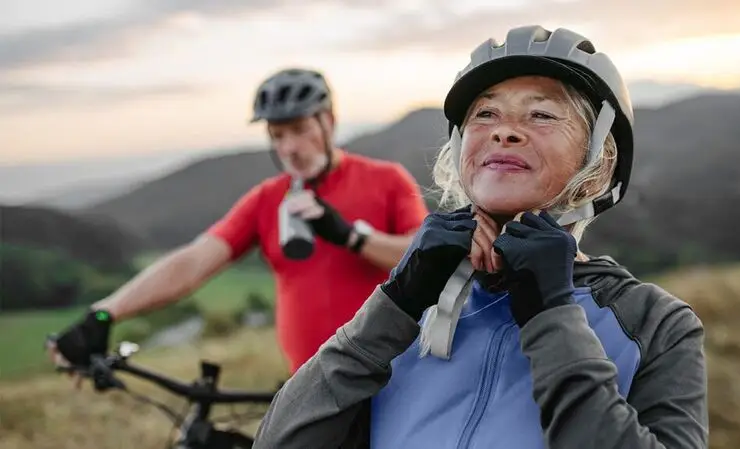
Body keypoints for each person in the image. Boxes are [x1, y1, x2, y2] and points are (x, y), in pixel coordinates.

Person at [251, 25, 709, 449]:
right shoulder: (413, 314)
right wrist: (396, 301)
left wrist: (552, 314)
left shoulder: (654, 323)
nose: (505, 130)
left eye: (542, 114)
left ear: (599, 164)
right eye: (486, 113)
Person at [47, 67, 429, 377]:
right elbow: (193, 262)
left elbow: (424, 258)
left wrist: (351, 236)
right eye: (277, 135)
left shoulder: (387, 179)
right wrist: (104, 313)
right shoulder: (268, 199)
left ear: (328, 122)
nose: (289, 148)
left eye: (299, 130)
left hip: (391, 373)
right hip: (310, 385)